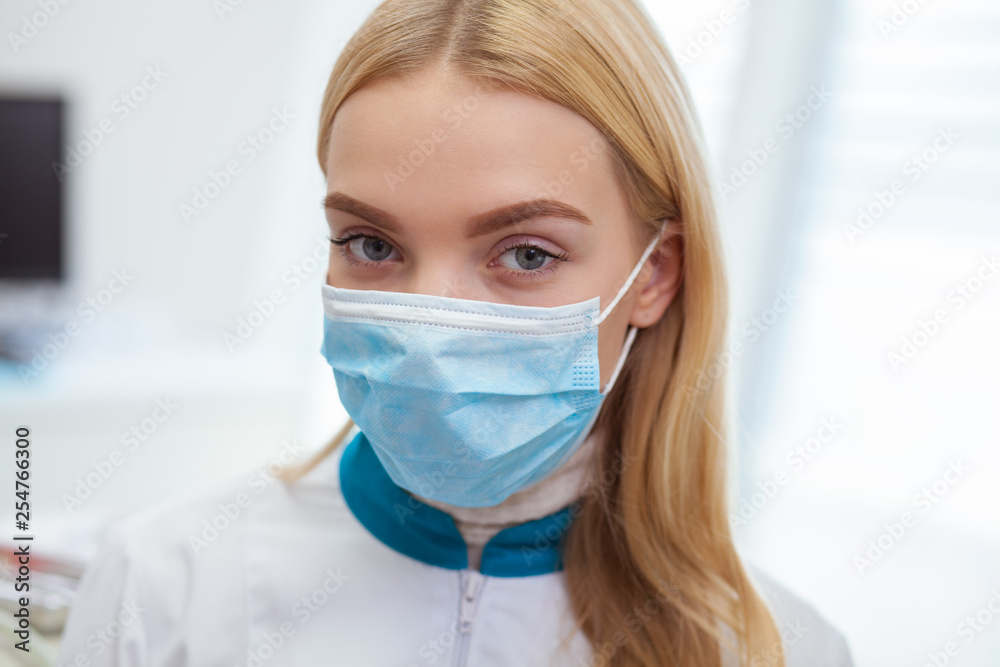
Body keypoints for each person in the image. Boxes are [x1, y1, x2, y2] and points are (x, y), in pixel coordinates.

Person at [56, 0, 855, 665]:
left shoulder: (778, 649)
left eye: (527, 253)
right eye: (372, 244)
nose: (427, 335)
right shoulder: (160, 586)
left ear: (654, 274)